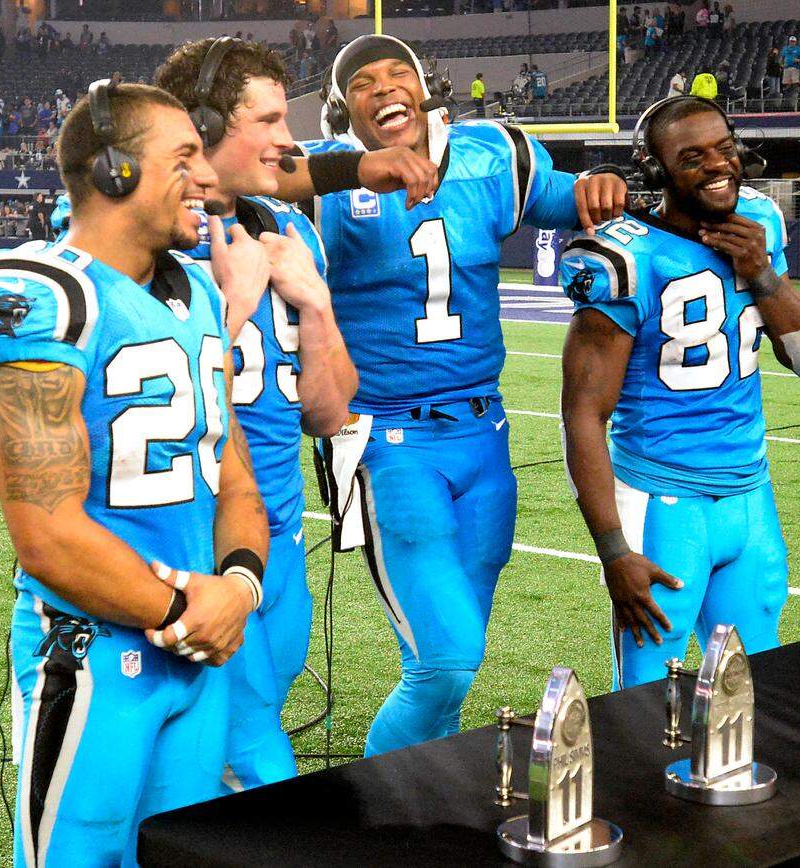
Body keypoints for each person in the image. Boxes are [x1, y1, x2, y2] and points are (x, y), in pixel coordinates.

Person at [0, 82, 271, 867]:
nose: (207, 177)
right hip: (95, 659)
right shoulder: (36, 297)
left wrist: (239, 588)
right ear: (119, 171)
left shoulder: (194, 288)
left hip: (197, 654)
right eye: (185, 158)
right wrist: (192, 612)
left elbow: (235, 478)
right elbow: (47, 533)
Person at [281, 34, 626, 757]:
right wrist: (350, 170)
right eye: (364, 82)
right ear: (344, 108)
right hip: (389, 442)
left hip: (484, 437)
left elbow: (563, 198)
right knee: (444, 660)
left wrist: (597, 186)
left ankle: (422, 810)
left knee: (448, 667)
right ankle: (379, 820)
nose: (384, 89)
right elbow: (255, 179)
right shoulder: (322, 178)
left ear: (424, 84)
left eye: (396, 73)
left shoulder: (491, 153)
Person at [558, 97, 800, 687]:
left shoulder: (758, 223)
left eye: (725, 150)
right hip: (662, 503)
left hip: (750, 494)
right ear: (655, 170)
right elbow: (583, 416)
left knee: (755, 681)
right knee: (651, 696)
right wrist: (613, 550)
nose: (717, 167)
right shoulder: (623, 255)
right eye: (692, 158)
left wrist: (761, 273)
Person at [155, 36, 357, 791]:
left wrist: (316, 305)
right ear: (202, 126)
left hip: (278, 532)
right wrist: (235, 304)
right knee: (261, 765)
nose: (288, 138)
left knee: (221, 764)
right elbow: (147, 406)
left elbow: (331, 413)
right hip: (192, 543)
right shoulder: (148, 236)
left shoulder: (289, 228)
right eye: (268, 120)